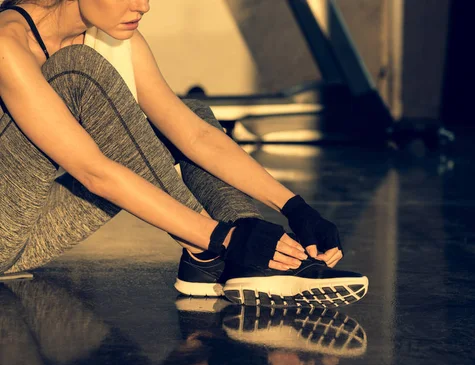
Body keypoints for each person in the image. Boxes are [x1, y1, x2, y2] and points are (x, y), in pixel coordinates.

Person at [0, 0, 368, 307]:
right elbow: (93, 172)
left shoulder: (112, 37)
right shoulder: (7, 42)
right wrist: (224, 238)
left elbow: (194, 135)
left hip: (34, 230)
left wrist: (295, 208)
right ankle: (215, 248)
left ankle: (232, 260)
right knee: (80, 69)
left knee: (190, 111)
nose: (143, 5)